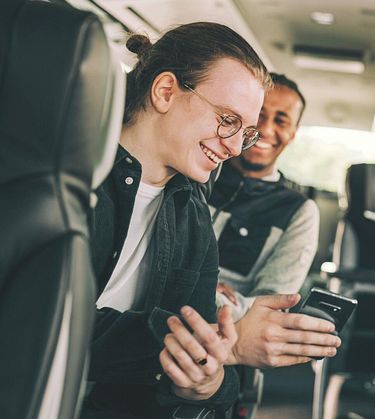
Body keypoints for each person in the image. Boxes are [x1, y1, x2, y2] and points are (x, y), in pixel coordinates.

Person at [85, 23, 339, 419]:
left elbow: (210, 378)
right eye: (227, 120)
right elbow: (48, 324)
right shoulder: (69, 178)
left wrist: (207, 380)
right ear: (165, 91)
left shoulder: (192, 215)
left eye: (246, 133)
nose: (236, 146)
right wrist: (231, 342)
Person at [210, 73, 319, 321]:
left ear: (293, 133)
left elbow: (271, 304)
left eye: (281, 121)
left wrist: (209, 296)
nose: (265, 129)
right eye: (258, 114)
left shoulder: (298, 211)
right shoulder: (197, 172)